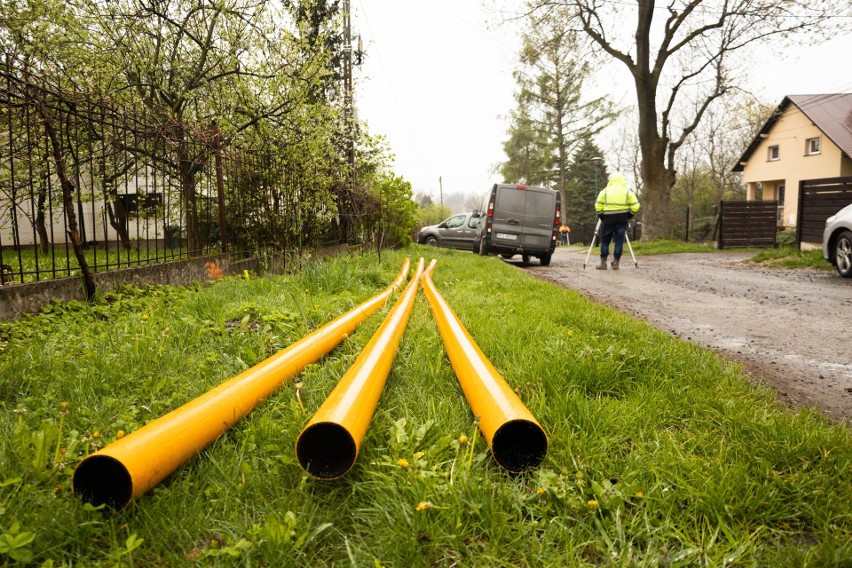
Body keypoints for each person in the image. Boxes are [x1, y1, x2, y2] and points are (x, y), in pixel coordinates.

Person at [594, 172, 640, 270]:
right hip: (622, 219)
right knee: (619, 241)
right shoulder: (627, 192)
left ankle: (603, 263)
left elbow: (597, 206)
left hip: (608, 218)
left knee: (605, 241)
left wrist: (602, 216)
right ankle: (616, 263)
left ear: (611, 181)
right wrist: (629, 215)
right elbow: (636, 206)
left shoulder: (604, 191)